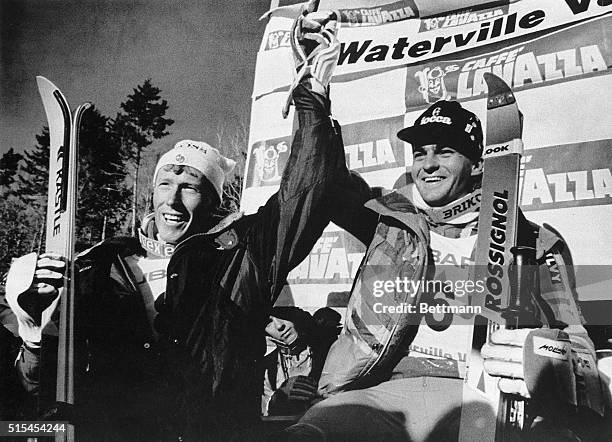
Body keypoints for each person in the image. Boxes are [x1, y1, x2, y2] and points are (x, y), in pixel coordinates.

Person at [0, 19, 344, 439]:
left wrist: (311, 97)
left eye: (190, 187)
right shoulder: (99, 264)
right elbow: (33, 394)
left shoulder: (243, 253)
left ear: (216, 201)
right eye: (165, 183)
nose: (173, 200)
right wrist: (32, 334)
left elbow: (306, 194)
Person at [274, 11, 607, 441]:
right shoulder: (392, 225)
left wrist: (540, 355)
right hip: (383, 389)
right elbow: (327, 182)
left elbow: (577, 342)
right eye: (420, 153)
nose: (427, 164)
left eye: (445, 151)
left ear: (476, 163)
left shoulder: (534, 242)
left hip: (476, 394)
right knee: (309, 435)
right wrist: (312, 93)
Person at [262, 307, 341, 416]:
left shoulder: (328, 350)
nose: (280, 326)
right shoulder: (267, 368)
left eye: (283, 316)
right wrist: (277, 400)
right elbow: (264, 406)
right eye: (268, 323)